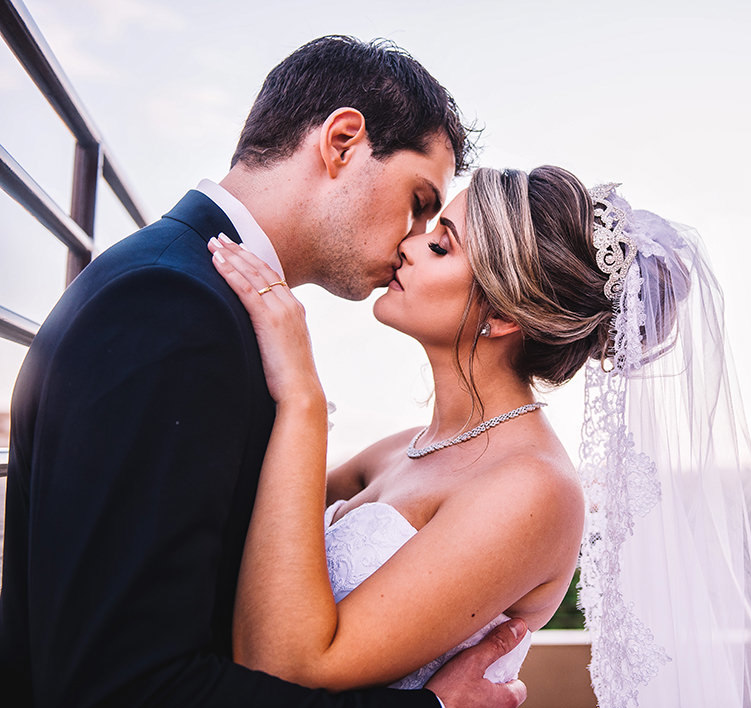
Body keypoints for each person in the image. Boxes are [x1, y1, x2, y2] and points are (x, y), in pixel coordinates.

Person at [0, 36, 526, 708]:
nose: (411, 240)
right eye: (419, 201)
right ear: (342, 142)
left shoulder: (186, 289)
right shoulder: (173, 309)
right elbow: (123, 683)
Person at [207, 167, 751, 706]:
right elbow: (239, 533)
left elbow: (289, 668)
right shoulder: (401, 449)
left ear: (501, 316)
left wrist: (303, 400)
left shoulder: (533, 490)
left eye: (440, 245)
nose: (407, 244)